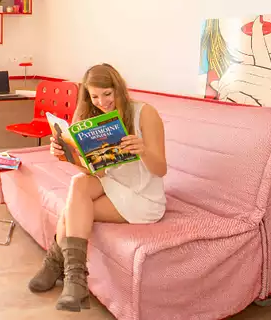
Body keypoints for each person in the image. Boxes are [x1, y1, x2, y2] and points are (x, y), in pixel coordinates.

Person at [27, 63, 168, 312]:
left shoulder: (145, 113)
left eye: (107, 94)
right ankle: (75, 280)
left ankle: (57, 266)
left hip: (142, 197)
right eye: (94, 96)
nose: (102, 102)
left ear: (118, 88)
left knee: (73, 210)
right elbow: (98, 172)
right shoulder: (93, 119)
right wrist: (67, 155)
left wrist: (143, 150)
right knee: (78, 183)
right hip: (112, 184)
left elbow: (161, 169)